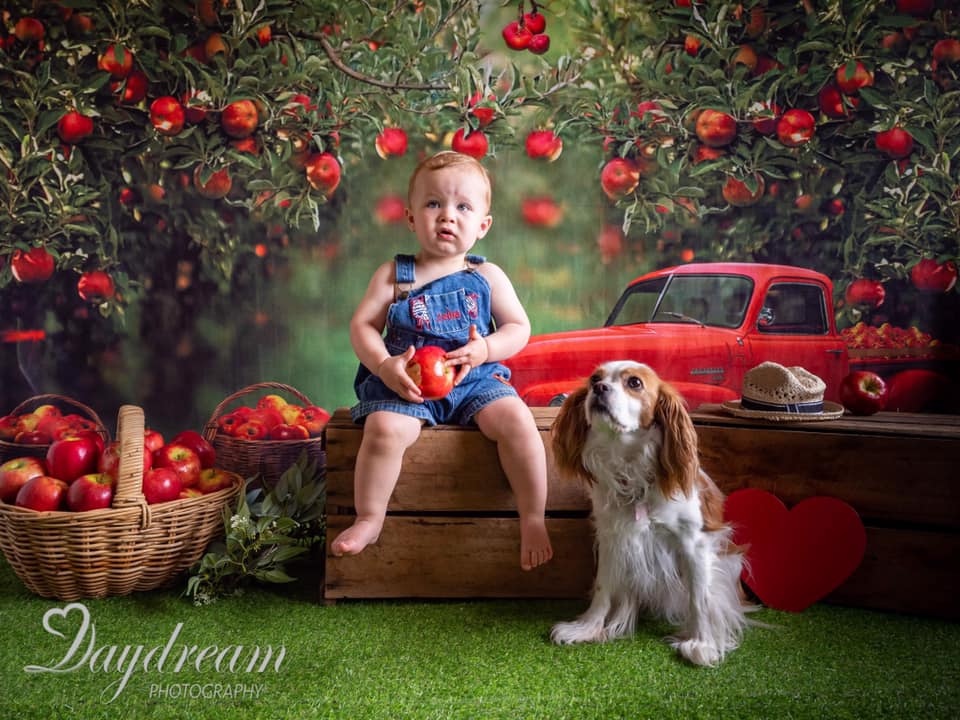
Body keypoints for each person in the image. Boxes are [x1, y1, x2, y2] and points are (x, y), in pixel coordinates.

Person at [330, 151, 554, 571]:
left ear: (483, 226)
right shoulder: (395, 275)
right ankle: (370, 517)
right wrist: (383, 366)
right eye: (433, 204)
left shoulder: (487, 277)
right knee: (383, 430)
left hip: (474, 378)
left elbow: (518, 328)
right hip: (408, 383)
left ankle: (534, 518)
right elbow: (362, 325)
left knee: (518, 422)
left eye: (463, 207)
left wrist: (486, 348)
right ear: (412, 218)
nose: (447, 216)